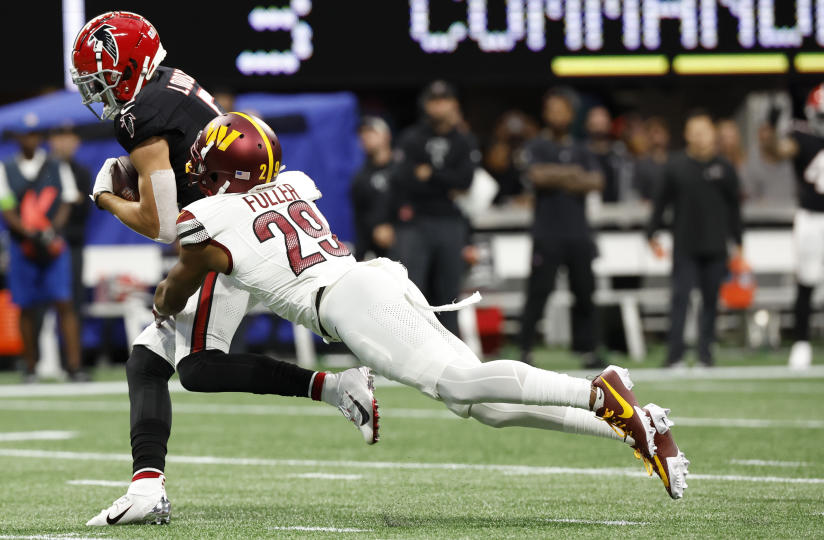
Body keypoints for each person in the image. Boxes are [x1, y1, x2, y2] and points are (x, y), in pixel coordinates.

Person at [157, 111, 689, 501]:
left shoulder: (213, 220)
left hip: (347, 301)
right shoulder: (292, 185)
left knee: (460, 387)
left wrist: (149, 273)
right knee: (486, 405)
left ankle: (599, 393)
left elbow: (174, 290)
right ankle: (635, 425)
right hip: (375, 278)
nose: (200, 172)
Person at [71, 12, 377, 526]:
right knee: (155, 362)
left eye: (101, 80)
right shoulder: (168, 82)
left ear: (126, 67)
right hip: (240, 222)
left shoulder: (139, 113)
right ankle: (147, 486)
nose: (99, 94)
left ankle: (337, 387)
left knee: (193, 368)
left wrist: (105, 197)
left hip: (223, 234)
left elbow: (162, 223)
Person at [0, 114, 84, 382]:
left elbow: (66, 201)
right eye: (25, 135)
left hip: (53, 243)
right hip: (22, 245)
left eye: (34, 135)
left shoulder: (55, 165)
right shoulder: (3, 168)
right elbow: (5, 207)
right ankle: (30, 366)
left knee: (64, 303)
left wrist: (52, 231)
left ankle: (74, 366)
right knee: (26, 305)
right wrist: (28, 233)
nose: (30, 140)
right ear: (17, 138)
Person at [647, 110, 743, 368]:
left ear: (713, 134)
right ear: (687, 135)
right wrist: (651, 232)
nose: (701, 137)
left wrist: (739, 241)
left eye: (705, 131)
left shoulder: (724, 168)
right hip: (685, 245)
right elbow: (660, 203)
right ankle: (674, 356)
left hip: (715, 246)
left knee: (711, 301)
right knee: (680, 298)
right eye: (696, 131)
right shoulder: (675, 166)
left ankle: (705, 355)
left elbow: (734, 207)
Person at [518, 89, 605, 369]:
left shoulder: (582, 148)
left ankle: (588, 349)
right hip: (547, 233)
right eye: (552, 109)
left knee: (584, 292)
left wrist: (554, 175)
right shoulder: (536, 146)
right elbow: (536, 176)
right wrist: (570, 174)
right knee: (538, 292)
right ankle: (525, 349)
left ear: (571, 114)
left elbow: (595, 181)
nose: (557, 115)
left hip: (578, 233)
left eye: (562, 109)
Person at [390, 81, 480, 336]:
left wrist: (429, 174)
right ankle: (408, 345)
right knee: (412, 289)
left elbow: (466, 181)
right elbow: (403, 178)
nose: (439, 106)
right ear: (426, 105)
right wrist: (445, 180)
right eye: (434, 100)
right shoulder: (411, 137)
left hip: (450, 222)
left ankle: (451, 350)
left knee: (448, 292)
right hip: (417, 222)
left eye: (444, 100)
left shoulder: (464, 140)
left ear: (454, 104)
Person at [769, 84, 824, 369]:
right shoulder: (803, 139)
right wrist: (769, 125)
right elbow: (774, 152)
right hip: (812, 217)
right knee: (807, 280)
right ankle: (801, 343)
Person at [48, 125, 92, 341]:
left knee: (73, 302)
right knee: (39, 303)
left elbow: (84, 210)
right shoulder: (42, 171)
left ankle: (74, 361)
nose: (64, 143)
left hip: (72, 244)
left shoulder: (82, 173)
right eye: (59, 137)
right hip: (43, 245)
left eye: (69, 137)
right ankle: (33, 363)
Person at [349, 116, 394, 260]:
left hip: (405, 240)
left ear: (386, 136)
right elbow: (361, 215)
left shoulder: (403, 169)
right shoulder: (360, 177)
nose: (366, 137)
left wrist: (395, 229)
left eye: (371, 132)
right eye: (363, 133)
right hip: (373, 245)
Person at [741, 122, 797, 205]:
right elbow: (748, 192)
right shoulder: (751, 160)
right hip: (763, 212)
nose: (767, 139)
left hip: (790, 209)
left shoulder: (789, 156)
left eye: (770, 137)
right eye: (763, 138)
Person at [586, 105, 633, 203]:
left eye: (602, 120)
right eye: (595, 120)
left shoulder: (620, 153)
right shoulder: (580, 154)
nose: (599, 123)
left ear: (609, 124)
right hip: (589, 211)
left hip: (617, 210)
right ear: (588, 124)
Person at [633, 117, 671, 202]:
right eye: (653, 133)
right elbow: (636, 192)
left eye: (659, 132)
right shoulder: (641, 164)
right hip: (648, 209)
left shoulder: (676, 163)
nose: (657, 137)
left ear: (667, 135)